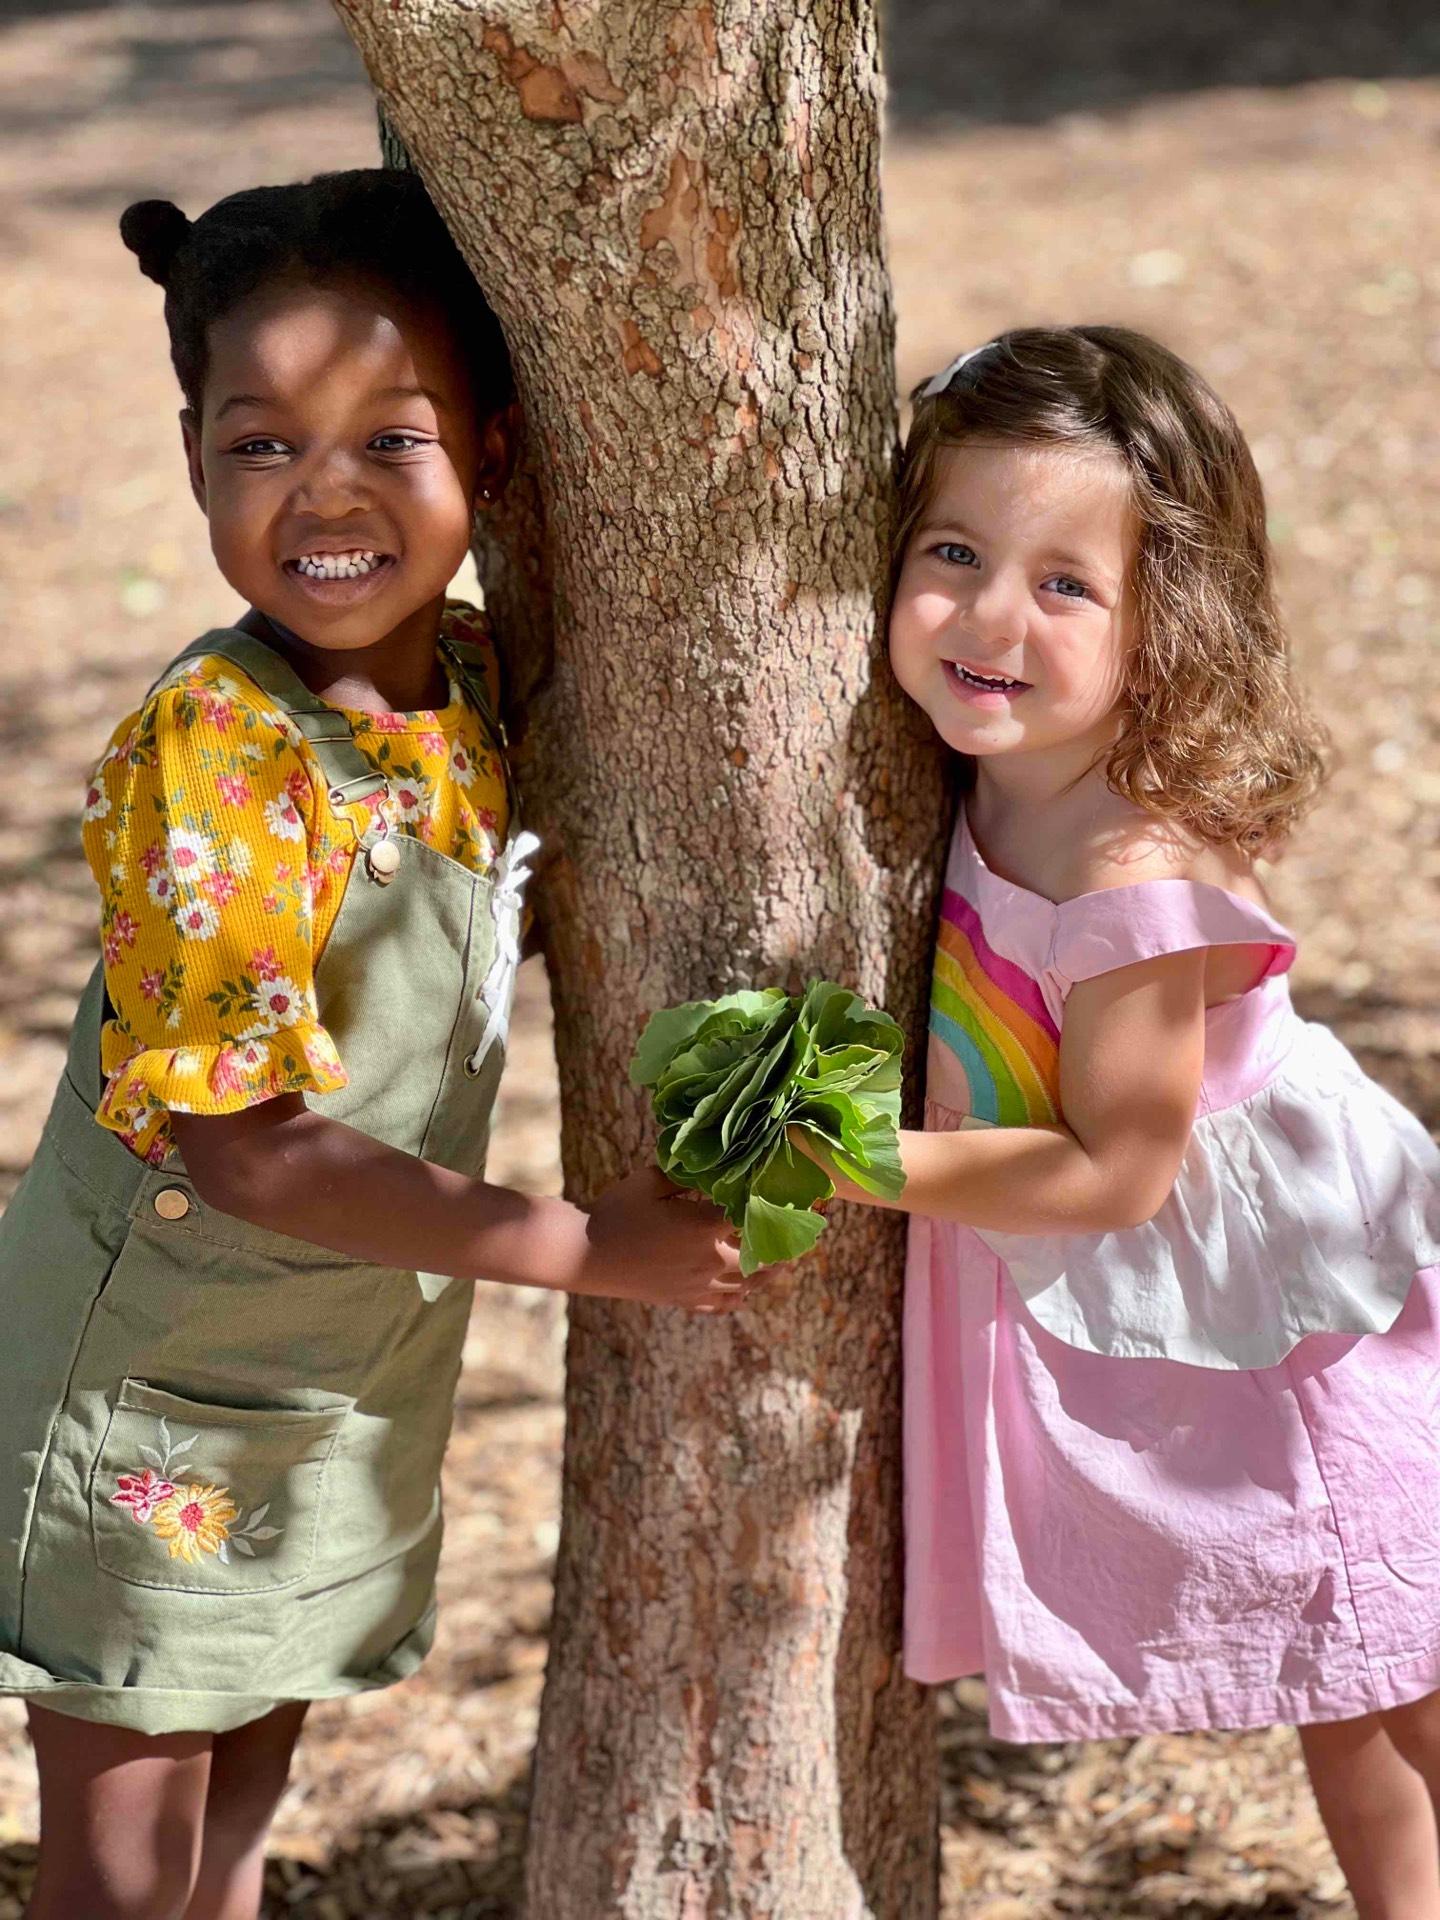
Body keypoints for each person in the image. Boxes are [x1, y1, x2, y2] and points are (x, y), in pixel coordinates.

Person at [0, 169, 752, 1920]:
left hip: (335, 1371)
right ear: (193, 458)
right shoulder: (221, 749)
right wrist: (590, 1250)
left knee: (253, 1769)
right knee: (128, 1834)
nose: (322, 498)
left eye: (384, 441)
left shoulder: (477, 692)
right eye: (260, 446)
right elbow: (241, 1141)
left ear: (490, 452)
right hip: (150, 1378)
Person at [830, 327, 1440, 1917]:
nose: (988, 618)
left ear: (1167, 625)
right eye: (952, 554)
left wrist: (858, 1164)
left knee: (1407, 1665)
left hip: (1294, 1318)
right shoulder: (987, 760)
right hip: (1190, 1296)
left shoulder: (1131, 882)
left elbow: (1117, 1167)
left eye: (1065, 584)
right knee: (1365, 1686)